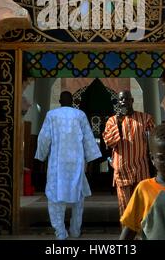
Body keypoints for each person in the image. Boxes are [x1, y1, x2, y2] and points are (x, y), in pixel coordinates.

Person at [35, 91, 101, 240]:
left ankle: (60, 233)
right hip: (76, 163)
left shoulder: (51, 115)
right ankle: (75, 231)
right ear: (73, 102)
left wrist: (40, 156)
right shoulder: (80, 115)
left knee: (55, 199)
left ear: (59, 101)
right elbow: (88, 139)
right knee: (78, 199)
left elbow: (44, 138)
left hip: (56, 165)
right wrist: (91, 159)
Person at [102, 90, 155, 216]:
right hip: (122, 171)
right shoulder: (112, 121)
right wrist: (119, 124)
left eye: (126, 99)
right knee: (125, 208)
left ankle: (141, 234)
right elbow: (109, 142)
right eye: (121, 99)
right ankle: (127, 234)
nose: (124, 102)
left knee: (142, 206)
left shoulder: (145, 118)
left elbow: (153, 140)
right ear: (118, 103)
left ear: (132, 100)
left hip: (140, 169)